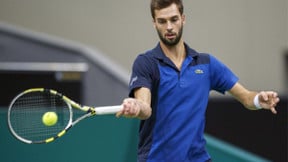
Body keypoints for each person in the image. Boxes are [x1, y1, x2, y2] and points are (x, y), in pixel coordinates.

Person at [116, 0, 280, 161]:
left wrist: (259, 99)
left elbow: (246, 98)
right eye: (162, 21)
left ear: (183, 19)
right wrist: (137, 107)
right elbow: (145, 107)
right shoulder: (146, 63)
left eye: (174, 19)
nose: (169, 27)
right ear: (154, 23)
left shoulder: (206, 64)